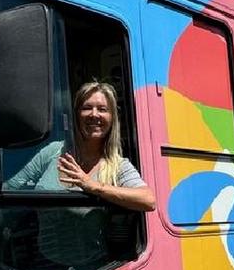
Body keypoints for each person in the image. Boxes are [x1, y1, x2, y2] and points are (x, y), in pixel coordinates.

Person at [8, 80, 154, 212]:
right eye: (87, 108)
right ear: (76, 115)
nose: (94, 114)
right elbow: (12, 187)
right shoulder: (54, 151)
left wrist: (93, 186)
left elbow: (148, 200)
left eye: (102, 109)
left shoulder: (117, 166)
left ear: (112, 119)